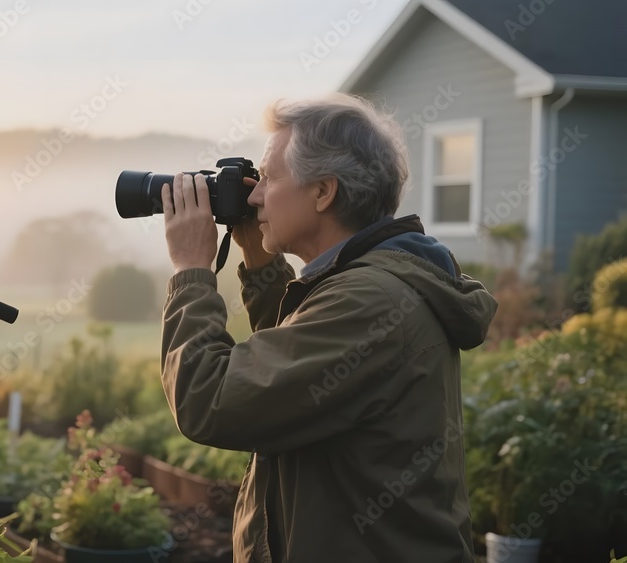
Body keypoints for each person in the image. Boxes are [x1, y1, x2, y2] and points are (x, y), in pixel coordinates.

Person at [159, 93, 497, 562]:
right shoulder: (364, 284)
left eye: (270, 177)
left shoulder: (369, 300)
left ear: (323, 192)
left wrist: (190, 269)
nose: (255, 194)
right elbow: (293, 371)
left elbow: (209, 399)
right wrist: (259, 260)